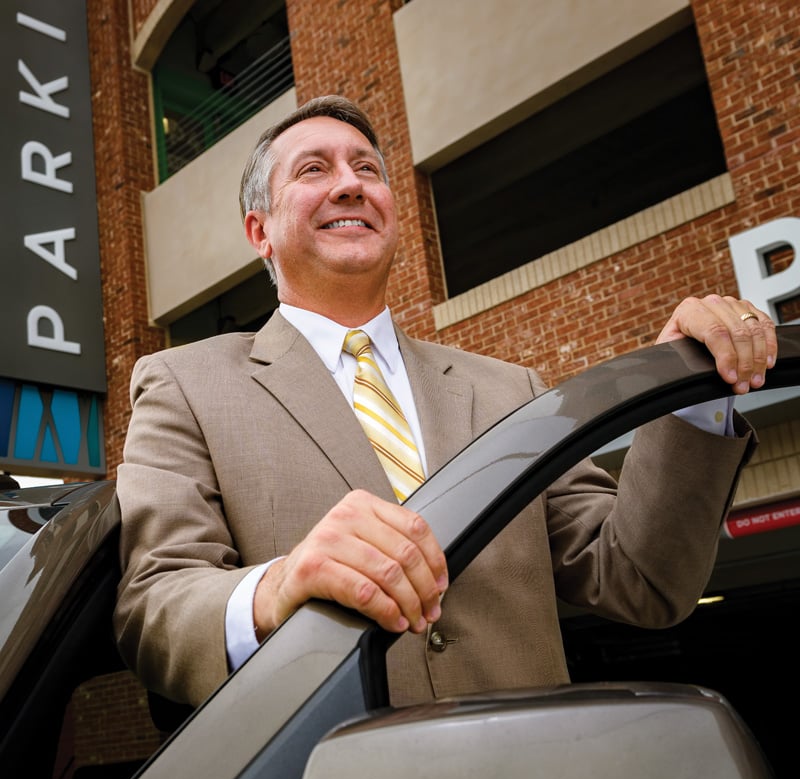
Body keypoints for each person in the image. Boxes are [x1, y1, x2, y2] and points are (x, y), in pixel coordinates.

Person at [113, 95, 777, 710]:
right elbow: (155, 606)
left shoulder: (510, 389)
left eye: (367, 168)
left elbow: (639, 578)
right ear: (260, 231)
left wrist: (685, 394)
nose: (350, 183)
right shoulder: (183, 384)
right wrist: (277, 588)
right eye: (314, 169)